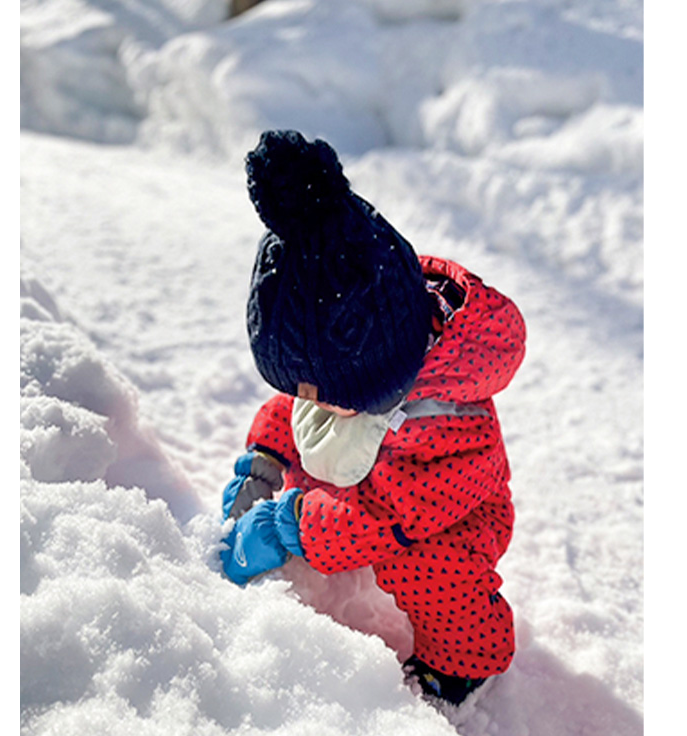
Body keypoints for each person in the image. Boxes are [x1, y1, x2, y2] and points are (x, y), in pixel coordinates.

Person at [219, 130, 526, 705]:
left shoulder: (447, 421)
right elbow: (297, 409)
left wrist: (287, 523)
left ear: (384, 376)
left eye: (330, 397)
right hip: (373, 486)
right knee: (320, 437)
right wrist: (264, 460)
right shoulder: (360, 371)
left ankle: (461, 665)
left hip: (440, 519)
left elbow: (379, 519)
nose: (315, 405)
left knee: (432, 570)